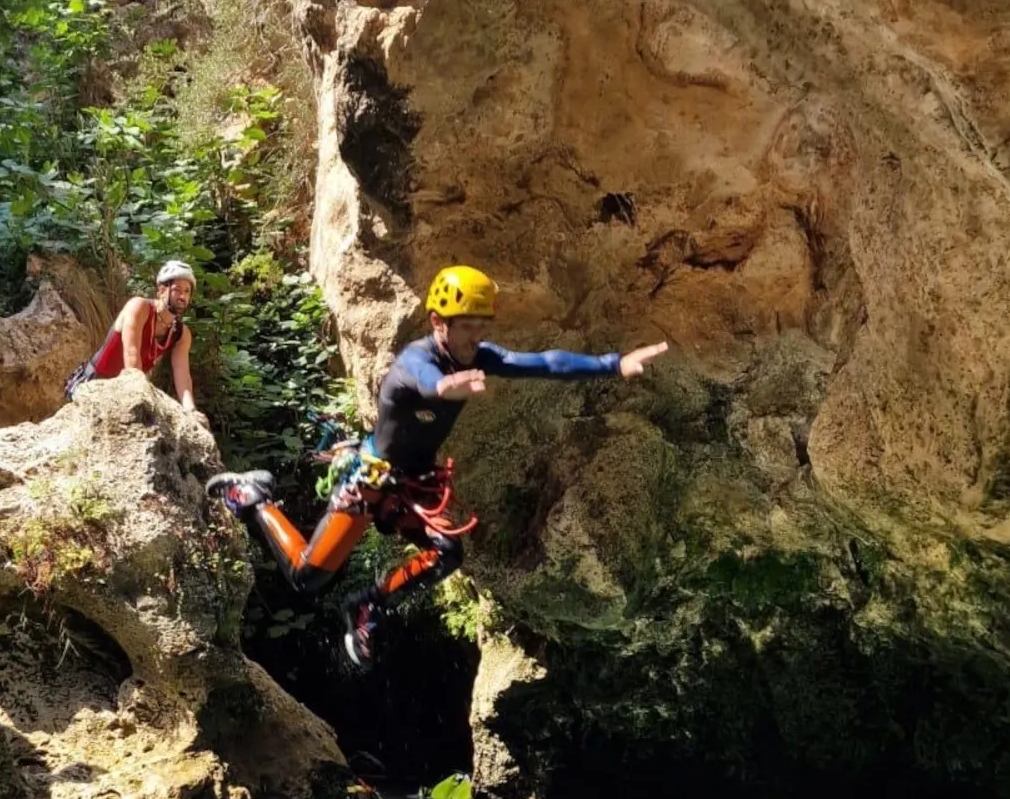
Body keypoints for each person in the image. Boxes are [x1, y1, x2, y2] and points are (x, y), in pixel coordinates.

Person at [208, 264, 669, 668]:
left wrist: (614, 363)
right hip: (370, 479)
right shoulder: (417, 360)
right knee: (308, 579)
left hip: (412, 485)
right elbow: (428, 384)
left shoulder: (479, 356)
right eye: (465, 326)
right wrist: (450, 387)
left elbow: (543, 362)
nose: (475, 336)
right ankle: (253, 499)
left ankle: (368, 606)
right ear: (438, 322)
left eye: (480, 326)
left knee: (447, 554)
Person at [66, 259, 202, 420]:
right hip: (94, 384)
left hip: (125, 390)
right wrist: (140, 394)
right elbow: (132, 355)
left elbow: (183, 377)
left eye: (187, 292)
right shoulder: (139, 307)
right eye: (177, 289)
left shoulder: (181, 334)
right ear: (161, 290)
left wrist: (191, 411)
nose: (182, 296)